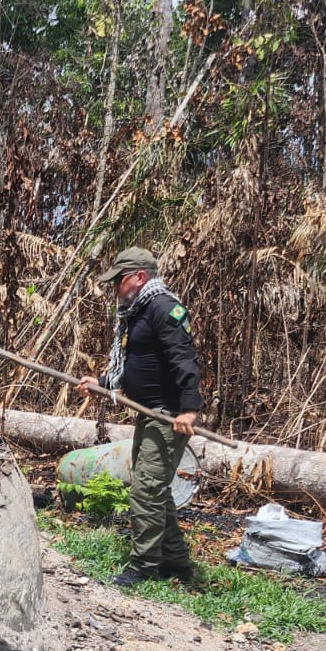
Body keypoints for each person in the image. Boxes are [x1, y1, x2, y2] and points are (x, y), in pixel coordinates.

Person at [77, 247, 203, 586]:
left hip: (167, 415)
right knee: (155, 489)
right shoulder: (137, 311)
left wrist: (189, 409)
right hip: (148, 414)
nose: (115, 288)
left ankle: (144, 567)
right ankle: (176, 563)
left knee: (146, 491)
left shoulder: (164, 308)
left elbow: (184, 358)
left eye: (119, 280)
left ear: (139, 277)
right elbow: (140, 363)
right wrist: (103, 383)